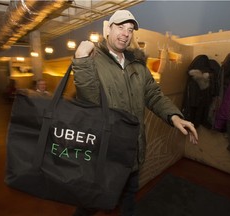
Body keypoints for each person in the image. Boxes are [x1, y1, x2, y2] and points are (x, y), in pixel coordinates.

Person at [72, 9, 198, 216]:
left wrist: (174, 116)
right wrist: (81, 60)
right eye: (120, 27)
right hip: (107, 153)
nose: (125, 33)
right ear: (108, 29)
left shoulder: (138, 64)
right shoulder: (93, 60)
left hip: (134, 151)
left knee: (129, 199)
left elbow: (153, 94)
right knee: (91, 202)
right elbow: (89, 102)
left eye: (129, 29)